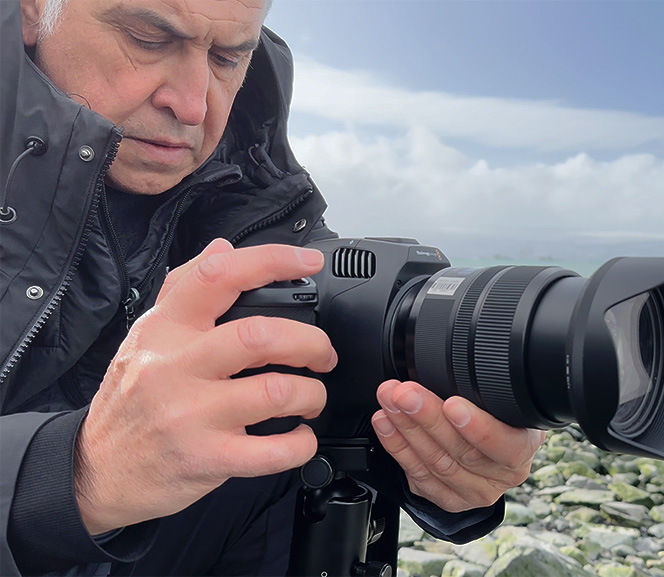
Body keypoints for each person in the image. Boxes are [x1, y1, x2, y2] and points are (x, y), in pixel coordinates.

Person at [0, 0, 546, 574]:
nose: (193, 105)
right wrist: (78, 475)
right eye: (147, 39)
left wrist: (441, 470)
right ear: (35, 10)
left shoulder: (259, 206)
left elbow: (357, 402)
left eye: (227, 59)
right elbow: (88, 473)